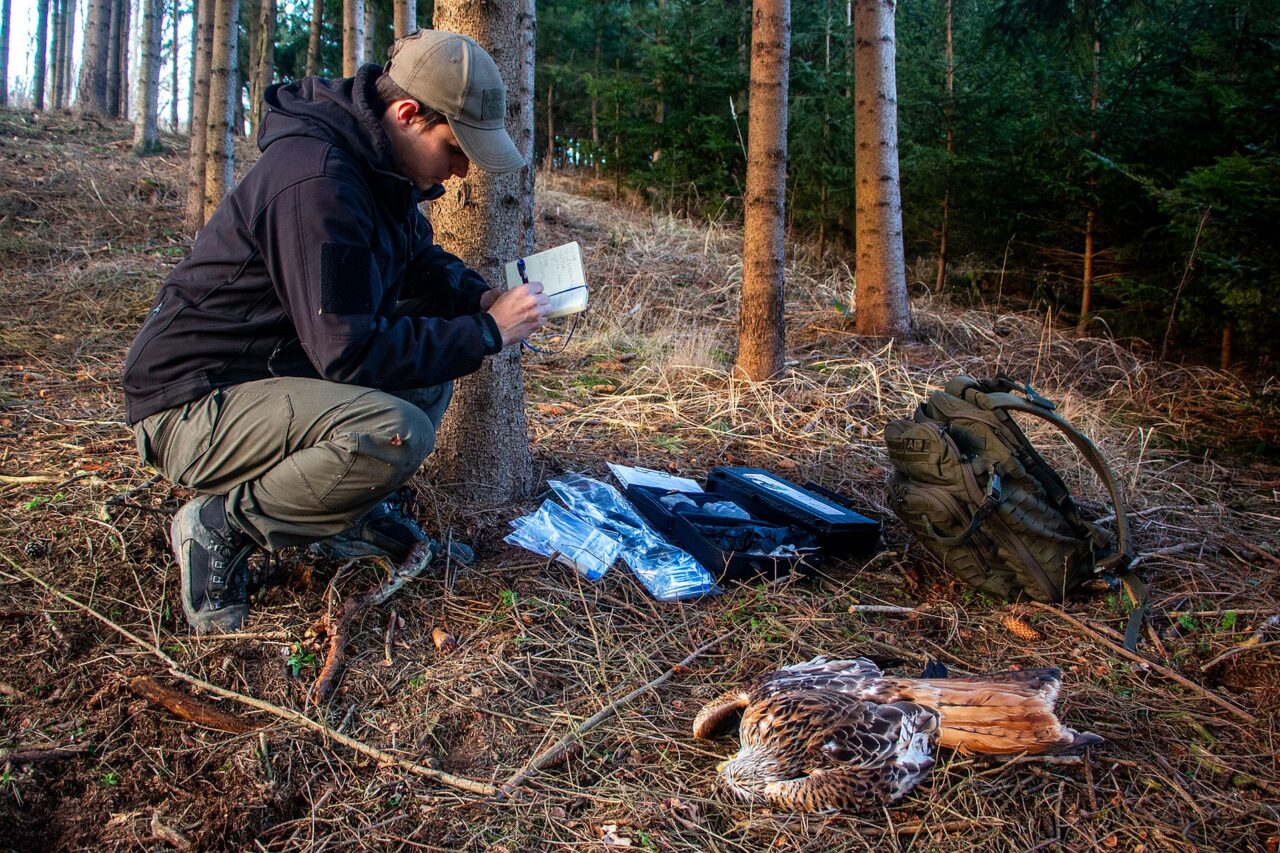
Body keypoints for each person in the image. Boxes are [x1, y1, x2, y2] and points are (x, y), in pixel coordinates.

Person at [122, 29, 550, 633]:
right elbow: (348, 355)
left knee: (426, 376)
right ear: (407, 115)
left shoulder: (373, 166)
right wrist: (484, 331)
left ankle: (344, 514)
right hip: (192, 403)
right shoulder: (317, 183)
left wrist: (480, 298)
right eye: (456, 148)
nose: (459, 171)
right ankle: (222, 523)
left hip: (273, 373)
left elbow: (419, 261)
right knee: (393, 430)